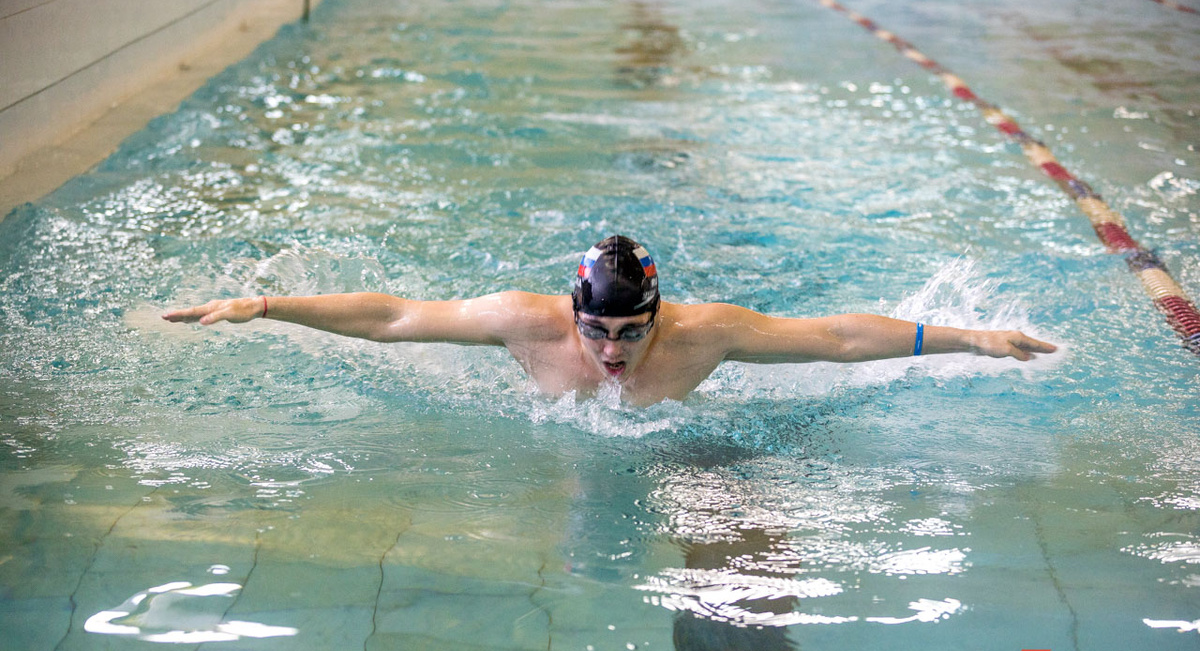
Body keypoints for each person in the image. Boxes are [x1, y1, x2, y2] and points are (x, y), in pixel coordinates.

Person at [163, 236, 1057, 406]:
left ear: (658, 316)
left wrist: (970, 337)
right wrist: (267, 305)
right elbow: (396, 318)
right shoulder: (528, 323)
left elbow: (835, 337)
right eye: (601, 334)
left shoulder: (704, 332)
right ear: (574, 315)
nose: (615, 351)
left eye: (634, 333)